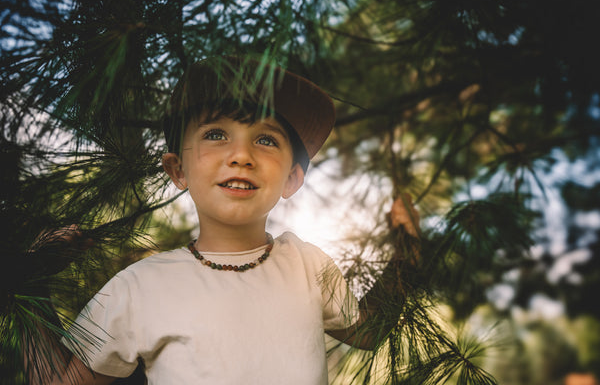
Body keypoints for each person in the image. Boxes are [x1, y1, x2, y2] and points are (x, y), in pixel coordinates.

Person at [25, 56, 420, 384]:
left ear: (292, 179)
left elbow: (368, 330)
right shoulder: (139, 287)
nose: (241, 155)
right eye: (216, 134)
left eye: (266, 139)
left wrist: (408, 248)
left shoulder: (306, 264)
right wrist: (30, 284)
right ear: (178, 170)